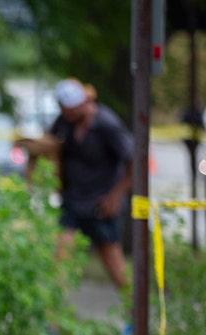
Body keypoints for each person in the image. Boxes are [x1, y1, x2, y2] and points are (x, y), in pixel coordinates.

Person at [49, 78, 134, 298]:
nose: (68, 115)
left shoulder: (106, 124)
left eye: (72, 110)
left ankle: (134, 318)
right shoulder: (65, 121)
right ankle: (53, 324)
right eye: (64, 110)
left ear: (83, 103)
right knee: (61, 258)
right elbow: (50, 143)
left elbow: (134, 162)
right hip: (73, 201)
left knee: (113, 263)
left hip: (101, 204)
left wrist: (115, 197)